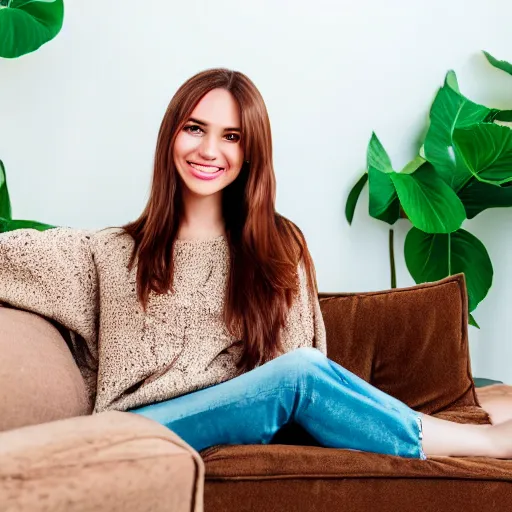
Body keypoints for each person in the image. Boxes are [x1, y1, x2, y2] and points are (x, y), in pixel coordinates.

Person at [0, 68, 511, 460]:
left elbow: (296, 368)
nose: (207, 150)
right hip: (133, 431)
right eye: (194, 128)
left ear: (250, 152)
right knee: (301, 376)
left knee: (301, 374)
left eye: (231, 136)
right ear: (170, 137)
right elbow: (10, 255)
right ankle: (480, 444)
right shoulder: (107, 251)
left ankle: (441, 426)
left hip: (242, 418)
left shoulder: (276, 248)